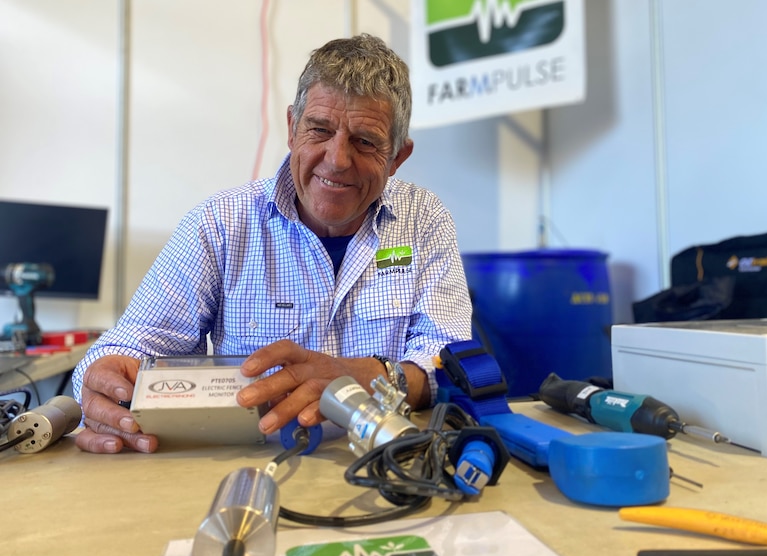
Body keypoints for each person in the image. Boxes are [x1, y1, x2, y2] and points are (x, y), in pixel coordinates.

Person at [72, 33, 473, 454]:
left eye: (365, 141)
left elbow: (451, 361)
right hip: (251, 461)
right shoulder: (221, 223)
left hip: (387, 460)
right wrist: (103, 381)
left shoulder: (423, 219)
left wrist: (365, 376)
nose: (337, 159)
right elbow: (133, 344)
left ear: (398, 157)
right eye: (319, 130)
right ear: (291, 128)